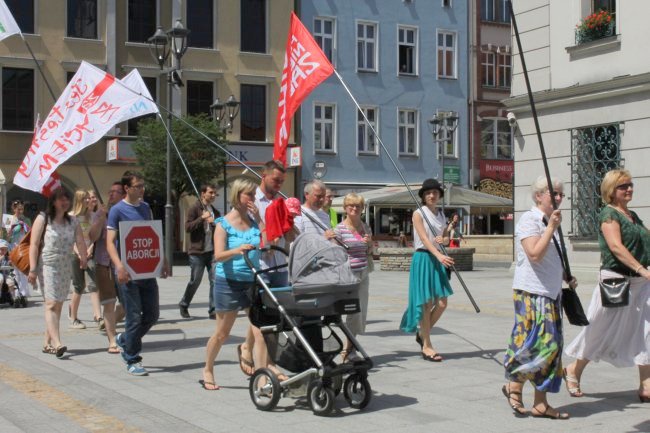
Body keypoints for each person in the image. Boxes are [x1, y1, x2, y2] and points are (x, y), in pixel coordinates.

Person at [564, 169, 649, 403]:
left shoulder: (632, 215)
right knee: (599, 329)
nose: (629, 189)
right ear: (611, 191)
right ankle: (574, 369)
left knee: (647, 330)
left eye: (630, 185)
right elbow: (617, 248)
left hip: (641, 283)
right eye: (623, 186)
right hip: (617, 281)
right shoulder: (608, 215)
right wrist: (642, 269)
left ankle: (646, 384)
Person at [502, 175, 575, 420]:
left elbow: (552, 257)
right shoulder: (529, 220)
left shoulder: (549, 220)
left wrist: (566, 276)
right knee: (537, 344)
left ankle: (540, 403)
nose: (558, 198)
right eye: (553, 193)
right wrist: (552, 227)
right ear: (538, 196)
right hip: (532, 292)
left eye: (560, 194)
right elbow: (534, 254)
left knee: (553, 349)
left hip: (551, 292)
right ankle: (514, 380)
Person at [201, 178, 270, 390]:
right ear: (237, 196)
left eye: (253, 195)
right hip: (228, 282)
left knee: (261, 331)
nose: (252, 198)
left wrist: (259, 220)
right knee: (222, 333)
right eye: (248, 194)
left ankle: (262, 378)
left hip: (251, 281)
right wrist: (237, 251)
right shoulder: (223, 224)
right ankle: (208, 369)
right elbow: (218, 255)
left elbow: (266, 244)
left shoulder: (252, 221)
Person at [107, 171, 168, 376]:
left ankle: (125, 340)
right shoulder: (117, 211)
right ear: (127, 188)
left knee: (152, 315)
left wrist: (163, 259)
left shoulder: (145, 208)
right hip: (127, 273)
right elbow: (109, 242)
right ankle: (132, 357)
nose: (142, 189)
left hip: (146, 270)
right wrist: (119, 266)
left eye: (143, 186)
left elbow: (152, 235)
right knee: (133, 316)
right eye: (138, 186)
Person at [238, 161, 292, 376]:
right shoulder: (251, 200)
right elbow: (251, 233)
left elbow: (288, 234)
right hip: (259, 265)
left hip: (279, 263)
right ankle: (268, 365)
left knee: (272, 316)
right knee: (263, 318)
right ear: (264, 175)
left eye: (282, 181)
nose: (279, 184)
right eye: (275, 180)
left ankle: (246, 347)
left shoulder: (281, 202)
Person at [28, 188, 87, 359]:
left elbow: (80, 241)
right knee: (51, 304)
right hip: (48, 264)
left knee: (58, 304)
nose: (65, 202)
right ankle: (57, 343)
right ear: (53, 201)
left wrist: (83, 257)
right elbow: (33, 244)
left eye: (67, 199)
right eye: (61, 199)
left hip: (65, 265)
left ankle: (47, 343)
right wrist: (32, 268)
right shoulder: (43, 219)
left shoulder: (73, 221)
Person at [400, 179, 453, 362]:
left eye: (435, 192)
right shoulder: (418, 213)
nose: (432, 195)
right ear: (423, 196)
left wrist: (444, 241)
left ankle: (422, 332)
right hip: (423, 257)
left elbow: (445, 237)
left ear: (439, 195)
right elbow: (423, 237)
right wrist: (439, 255)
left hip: (437, 258)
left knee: (441, 303)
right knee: (424, 302)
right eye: (428, 192)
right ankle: (427, 345)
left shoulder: (441, 214)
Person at [334, 193, 372, 362]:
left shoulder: (365, 227)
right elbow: (336, 254)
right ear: (345, 208)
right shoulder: (340, 230)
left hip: (363, 272)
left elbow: (370, 252)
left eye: (358, 206)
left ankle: (350, 348)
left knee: (361, 311)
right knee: (352, 311)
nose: (354, 209)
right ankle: (348, 349)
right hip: (348, 274)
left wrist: (369, 243)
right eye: (351, 206)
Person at [88, 181, 125, 354]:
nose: (110, 194)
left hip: (125, 265)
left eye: (115, 192)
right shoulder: (100, 214)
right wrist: (101, 218)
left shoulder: (127, 213)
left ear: (123, 194)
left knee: (127, 305)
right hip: (105, 264)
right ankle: (112, 340)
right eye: (109, 191)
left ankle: (110, 324)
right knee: (109, 304)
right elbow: (92, 237)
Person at [179, 183, 220, 319]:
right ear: (203, 193)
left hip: (212, 251)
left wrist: (216, 224)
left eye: (214, 193)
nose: (213, 195)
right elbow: (188, 227)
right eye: (210, 192)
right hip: (197, 252)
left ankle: (213, 310)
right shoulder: (195, 208)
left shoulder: (216, 211)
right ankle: (184, 304)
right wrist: (201, 218)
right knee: (195, 280)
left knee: (215, 280)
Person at [68, 189, 102, 330]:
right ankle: (73, 318)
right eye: (85, 199)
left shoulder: (93, 216)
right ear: (78, 200)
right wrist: (79, 253)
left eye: (89, 198)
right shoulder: (70, 217)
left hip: (89, 253)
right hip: (75, 254)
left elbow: (95, 236)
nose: (88, 201)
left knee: (94, 284)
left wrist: (89, 250)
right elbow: (70, 239)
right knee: (79, 286)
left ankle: (98, 317)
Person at [8, 200, 32, 305]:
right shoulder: (9, 219)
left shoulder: (26, 219)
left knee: (23, 271)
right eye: (18, 209)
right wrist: (13, 228)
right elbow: (5, 235)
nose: (20, 211)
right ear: (14, 209)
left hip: (23, 247)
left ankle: (24, 294)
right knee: (15, 272)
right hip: (13, 247)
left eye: (22, 209)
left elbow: (31, 233)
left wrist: (24, 226)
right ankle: (16, 295)